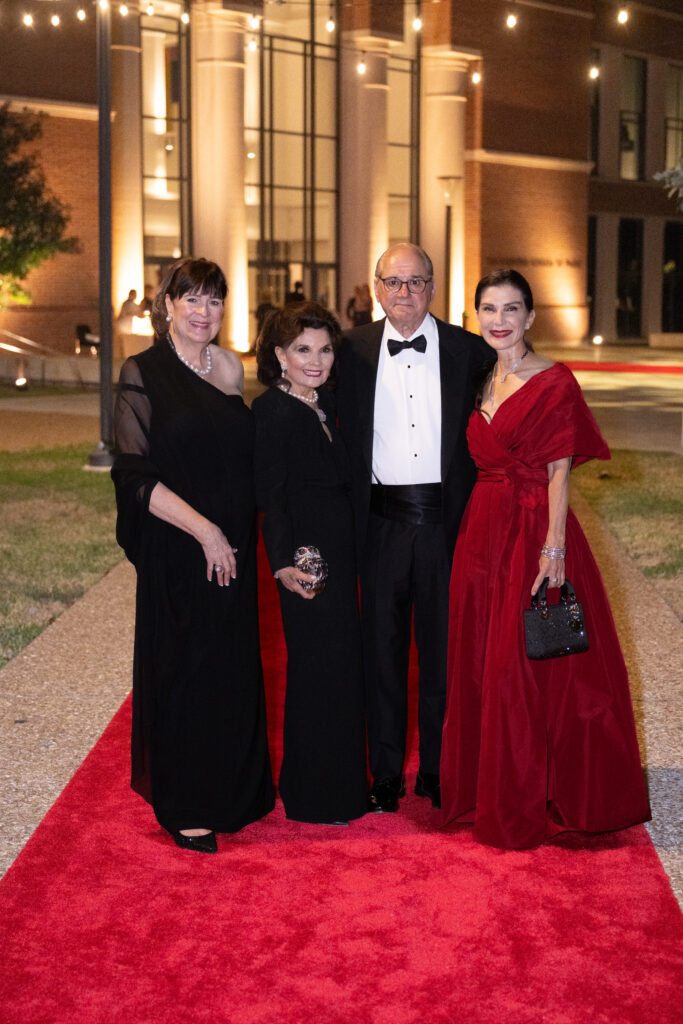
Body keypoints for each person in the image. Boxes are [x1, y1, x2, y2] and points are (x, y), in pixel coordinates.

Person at [439, 268, 651, 849]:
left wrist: (553, 546)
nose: (499, 321)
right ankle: (490, 785)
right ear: (476, 315)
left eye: (511, 310)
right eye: (489, 309)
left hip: (534, 528)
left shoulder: (554, 380)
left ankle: (531, 794)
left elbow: (560, 470)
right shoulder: (481, 377)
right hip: (482, 532)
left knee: (525, 663)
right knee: (485, 657)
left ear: (531, 318)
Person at [111, 257, 274, 854]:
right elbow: (133, 478)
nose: (204, 312)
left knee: (229, 667)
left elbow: (245, 453)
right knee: (185, 671)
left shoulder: (229, 366)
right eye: (192, 300)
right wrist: (204, 531)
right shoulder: (141, 372)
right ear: (169, 305)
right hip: (180, 549)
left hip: (235, 545)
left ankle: (234, 789)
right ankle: (186, 804)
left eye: (214, 301)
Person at [337, 243, 493, 814]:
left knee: (443, 653)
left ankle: (437, 768)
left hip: (448, 528)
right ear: (376, 288)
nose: (405, 293)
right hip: (379, 527)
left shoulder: (468, 351)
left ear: (433, 286)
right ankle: (384, 773)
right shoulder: (349, 353)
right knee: (381, 652)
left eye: (416, 282)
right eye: (394, 282)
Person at [252, 302, 367, 825]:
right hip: (307, 562)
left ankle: (338, 788)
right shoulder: (273, 411)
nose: (315, 360)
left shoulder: (320, 404)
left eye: (323, 349)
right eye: (302, 350)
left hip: (338, 558)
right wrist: (281, 564)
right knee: (317, 671)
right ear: (279, 355)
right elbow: (271, 497)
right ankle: (314, 796)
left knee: (338, 670)